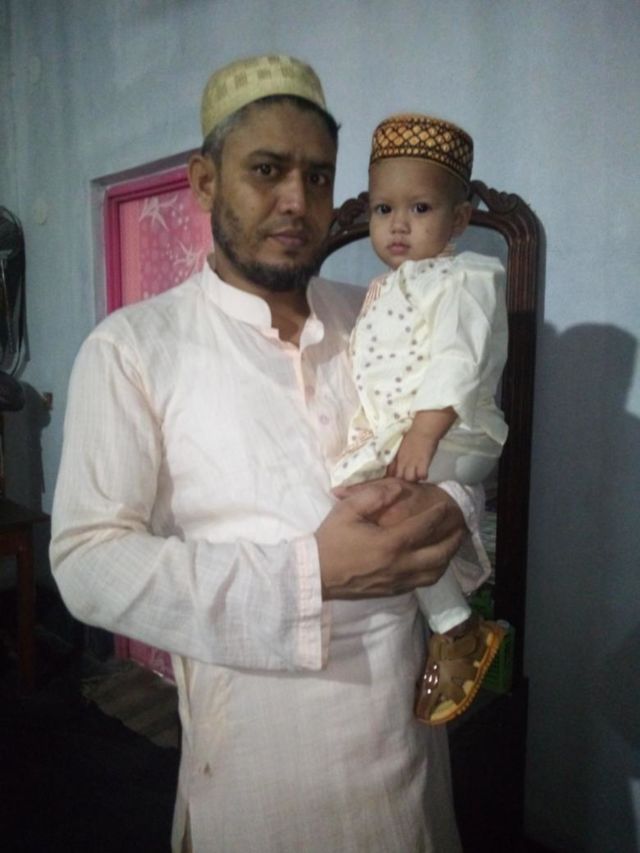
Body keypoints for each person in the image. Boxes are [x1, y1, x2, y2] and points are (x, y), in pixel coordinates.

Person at [51, 55, 492, 852]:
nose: (298, 201)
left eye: (318, 177)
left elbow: (466, 441)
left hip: (403, 746)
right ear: (204, 181)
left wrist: (451, 504)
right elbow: (87, 562)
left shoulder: (377, 315)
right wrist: (312, 572)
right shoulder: (133, 348)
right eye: (267, 170)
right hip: (255, 763)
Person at [332, 113, 508, 726]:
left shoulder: (467, 277)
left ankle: (457, 629)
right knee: (374, 508)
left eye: (420, 208)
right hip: (408, 436)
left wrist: (423, 433)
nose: (398, 224)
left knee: (387, 507)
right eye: (384, 209)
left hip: (455, 432)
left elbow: (458, 359)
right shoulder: (382, 290)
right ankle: (453, 625)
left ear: (458, 219)